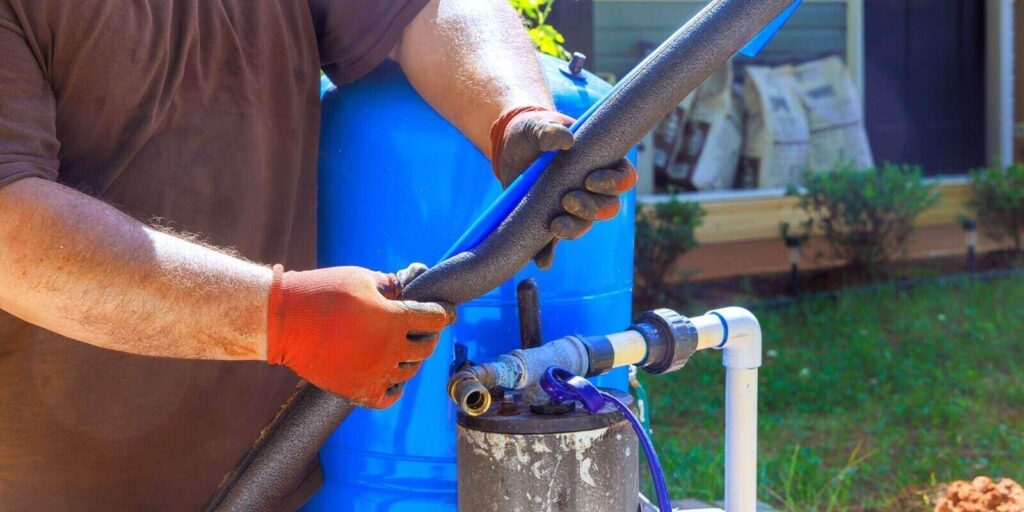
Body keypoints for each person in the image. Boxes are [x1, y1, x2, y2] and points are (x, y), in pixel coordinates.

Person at [0, 0, 636, 509]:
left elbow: (425, 9)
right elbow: (9, 231)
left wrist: (513, 116)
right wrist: (281, 319)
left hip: (278, 482)